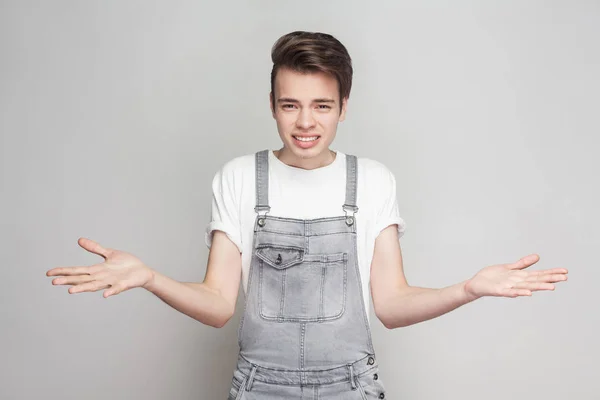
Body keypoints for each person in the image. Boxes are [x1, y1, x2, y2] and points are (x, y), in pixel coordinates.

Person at [46, 31, 569, 399]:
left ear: (344, 106)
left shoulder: (373, 181)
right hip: (257, 386)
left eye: (321, 105)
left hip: (351, 386)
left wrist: (467, 290)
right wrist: (149, 278)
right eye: (290, 104)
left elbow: (391, 303)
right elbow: (216, 304)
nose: (305, 122)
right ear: (272, 104)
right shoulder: (237, 178)